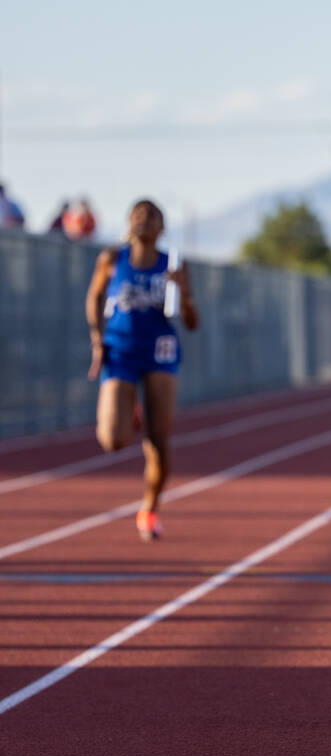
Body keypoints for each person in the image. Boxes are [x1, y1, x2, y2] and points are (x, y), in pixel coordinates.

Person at [85, 200, 199, 541]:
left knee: (159, 441)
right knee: (112, 440)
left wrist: (184, 294)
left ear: (162, 228)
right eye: (138, 214)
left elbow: (192, 322)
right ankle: (131, 408)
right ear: (128, 222)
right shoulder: (112, 259)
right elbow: (94, 297)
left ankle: (149, 509)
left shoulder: (173, 264)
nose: (144, 220)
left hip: (159, 352)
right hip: (120, 350)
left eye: (152, 216)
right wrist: (97, 337)